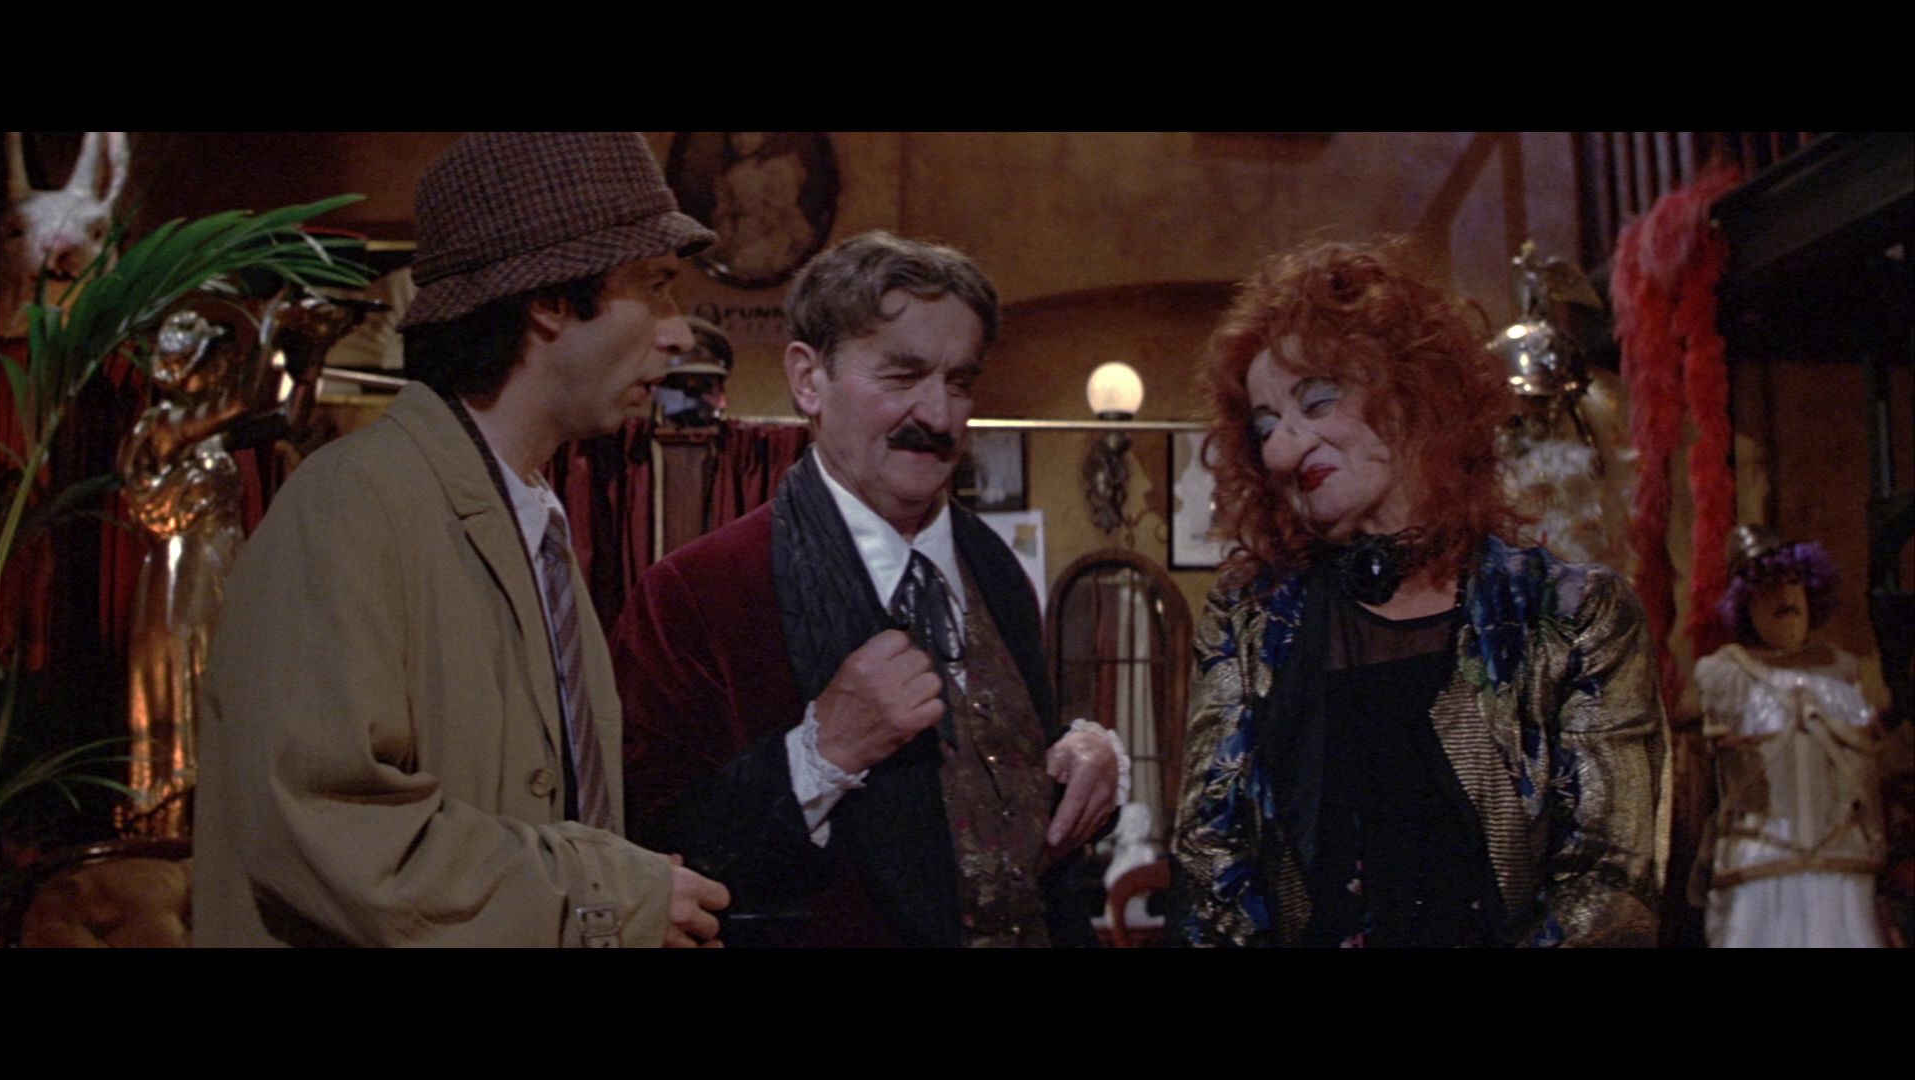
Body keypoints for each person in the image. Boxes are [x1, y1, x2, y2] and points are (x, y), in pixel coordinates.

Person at [193, 131, 732, 947]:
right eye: (654, 287)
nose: (679, 332)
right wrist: (607, 897)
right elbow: (328, 823)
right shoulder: (353, 502)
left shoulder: (529, 513)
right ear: (548, 300)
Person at [615, 230, 1121, 946]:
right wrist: (821, 753)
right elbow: (658, 858)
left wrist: (1084, 758)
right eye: (902, 376)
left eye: (959, 382)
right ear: (807, 380)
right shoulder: (696, 594)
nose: (939, 416)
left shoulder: (995, 569)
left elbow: (995, 792)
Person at [1172, 241, 1667, 947]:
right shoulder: (1251, 618)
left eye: (1317, 400)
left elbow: (1609, 891)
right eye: (1265, 427)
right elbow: (1208, 866)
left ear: (1412, 392)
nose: (1281, 450)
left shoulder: (1574, 617)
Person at [1695, 527, 1885, 947]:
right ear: (1746, 602)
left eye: (1793, 581)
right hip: (1760, 863)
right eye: (1768, 587)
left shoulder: (1845, 672)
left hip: (1842, 863)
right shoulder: (1726, 675)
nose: (1785, 596)